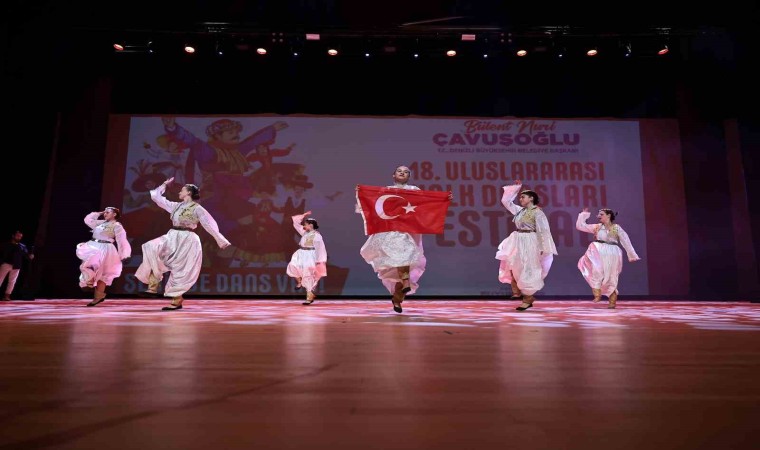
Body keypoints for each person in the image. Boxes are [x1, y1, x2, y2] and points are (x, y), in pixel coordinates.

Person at [357, 165, 452, 313]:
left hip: (409, 232)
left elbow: (427, 204)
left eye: (406, 172)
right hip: (391, 231)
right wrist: (361, 193)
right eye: (399, 171)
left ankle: (397, 298)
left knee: (406, 262)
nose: (402, 173)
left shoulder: (414, 190)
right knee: (403, 253)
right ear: (393, 175)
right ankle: (405, 280)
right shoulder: (386, 191)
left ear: (409, 176)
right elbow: (372, 206)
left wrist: (443, 200)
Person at [135, 177, 231, 311]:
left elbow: (208, 224)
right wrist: (164, 185)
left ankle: (176, 300)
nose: (179, 192)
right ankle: (152, 287)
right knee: (152, 249)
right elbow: (157, 198)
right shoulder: (176, 206)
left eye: (182, 190)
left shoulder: (197, 208)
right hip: (172, 236)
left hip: (187, 239)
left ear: (189, 193)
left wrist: (221, 240)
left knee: (180, 269)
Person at [495, 180, 558, 311]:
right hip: (518, 241)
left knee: (529, 269)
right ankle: (526, 296)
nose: (521, 199)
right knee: (516, 269)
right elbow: (506, 202)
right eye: (520, 197)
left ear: (531, 198)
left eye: (523, 197)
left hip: (531, 241)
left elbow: (544, 231)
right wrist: (515, 188)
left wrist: (543, 248)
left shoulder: (538, 212)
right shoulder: (520, 211)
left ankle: (527, 299)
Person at [576, 207, 641, 309]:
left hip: (612, 252)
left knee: (612, 277)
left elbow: (625, 240)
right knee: (597, 271)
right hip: (597, 250)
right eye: (598, 214)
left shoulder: (616, 228)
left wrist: (632, 255)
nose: (598, 216)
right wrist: (583, 215)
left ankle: (612, 302)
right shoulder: (597, 227)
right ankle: (597, 294)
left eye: (601, 214)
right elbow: (581, 226)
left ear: (608, 215)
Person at [76, 208, 131, 306]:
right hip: (93, 246)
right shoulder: (100, 223)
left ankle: (98, 297)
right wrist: (99, 213)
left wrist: (124, 254)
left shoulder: (117, 225)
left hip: (105, 249)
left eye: (107, 212)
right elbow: (88, 220)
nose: (105, 214)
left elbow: (121, 240)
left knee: (103, 274)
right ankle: (88, 280)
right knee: (88, 264)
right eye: (104, 212)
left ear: (114, 214)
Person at [286, 211, 327, 305]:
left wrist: (320, 261)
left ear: (311, 225)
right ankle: (299, 282)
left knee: (308, 275)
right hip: (300, 253)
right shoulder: (304, 232)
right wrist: (303, 216)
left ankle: (309, 297)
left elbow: (320, 248)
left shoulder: (317, 236)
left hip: (310, 255)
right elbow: (296, 223)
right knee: (292, 265)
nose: (304, 226)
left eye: (306, 224)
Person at [0, 231, 34, 301]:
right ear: (13, 236)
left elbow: (26, 255)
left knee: (12, 281)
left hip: (17, 266)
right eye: (17, 236)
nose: (19, 237)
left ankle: (7, 296)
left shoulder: (22, 246)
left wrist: (30, 256)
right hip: (6, 264)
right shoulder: (7, 244)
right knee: (0, 279)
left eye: (20, 236)